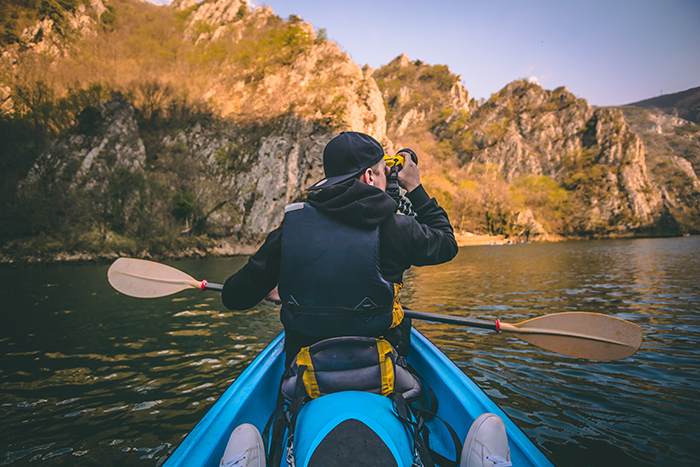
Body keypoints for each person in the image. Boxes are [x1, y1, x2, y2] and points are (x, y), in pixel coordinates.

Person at [221, 131, 458, 366]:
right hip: (379, 366)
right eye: (383, 172)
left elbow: (234, 296)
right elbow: (447, 243)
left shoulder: (291, 229)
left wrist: (288, 288)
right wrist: (415, 187)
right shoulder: (400, 229)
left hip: (308, 373)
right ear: (369, 176)